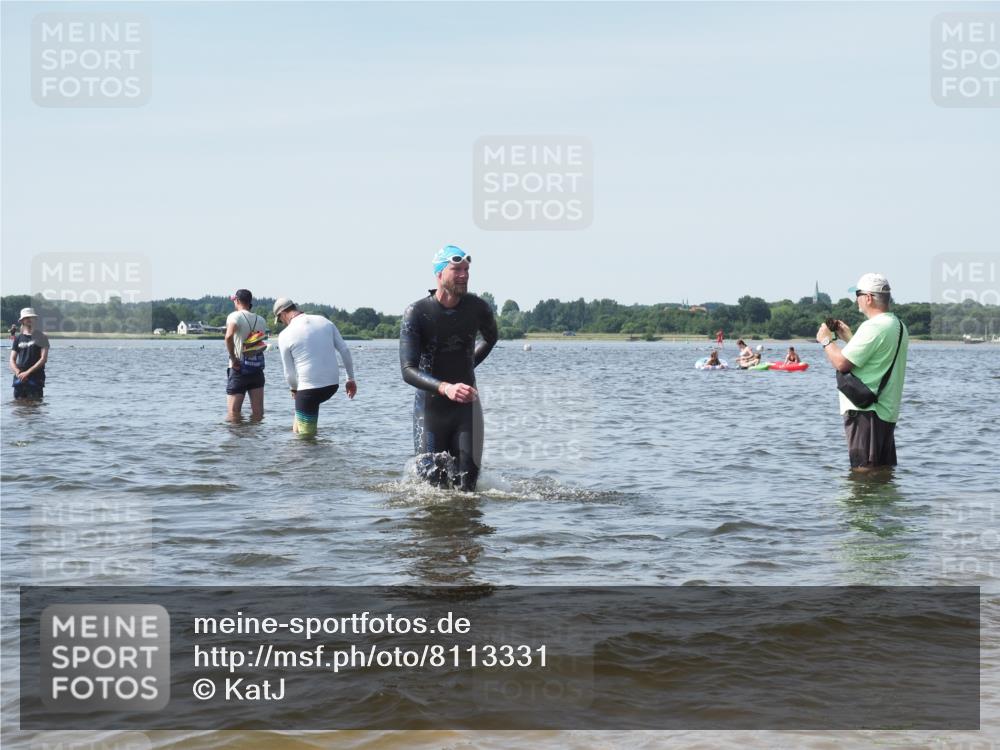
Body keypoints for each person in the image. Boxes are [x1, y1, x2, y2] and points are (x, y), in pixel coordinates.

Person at [400, 245, 498, 491]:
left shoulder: (478, 308)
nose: (464, 274)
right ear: (440, 273)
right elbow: (408, 370)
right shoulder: (418, 312)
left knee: (468, 489)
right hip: (431, 411)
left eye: (467, 269)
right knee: (433, 489)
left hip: (467, 410)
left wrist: (467, 366)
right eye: (457, 269)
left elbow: (491, 338)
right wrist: (445, 387)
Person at [817, 273, 909, 470]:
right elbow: (874, 359)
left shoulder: (874, 326)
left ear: (868, 298)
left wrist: (826, 340)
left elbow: (841, 363)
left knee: (862, 474)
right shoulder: (898, 325)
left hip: (866, 412)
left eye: (857, 294)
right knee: (882, 474)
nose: (856, 299)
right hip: (885, 412)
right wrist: (850, 338)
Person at [274, 297, 357, 435]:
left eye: (280, 320)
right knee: (297, 428)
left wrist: (294, 390)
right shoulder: (324, 321)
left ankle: (311, 454)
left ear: (282, 314)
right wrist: (350, 379)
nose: (282, 323)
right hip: (331, 386)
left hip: (309, 391)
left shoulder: (285, 335)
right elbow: (345, 350)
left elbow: (288, 373)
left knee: (306, 439)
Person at [224, 289, 268, 421]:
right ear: (250, 302)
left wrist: (233, 358)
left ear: (237, 301)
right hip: (256, 368)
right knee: (258, 413)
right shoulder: (261, 320)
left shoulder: (234, 316)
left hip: (239, 369)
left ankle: (237, 440)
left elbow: (228, 336)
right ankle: (256, 440)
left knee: (233, 413)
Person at [9, 307, 50, 400]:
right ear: (22, 321)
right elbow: (12, 359)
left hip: (36, 377)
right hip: (19, 378)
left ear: (35, 319)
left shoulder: (42, 337)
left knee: (35, 407)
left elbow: (43, 359)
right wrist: (17, 372)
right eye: (26, 317)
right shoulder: (18, 338)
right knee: (18, 408)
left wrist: (27, 372)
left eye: (31, 317)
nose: (29, 319)